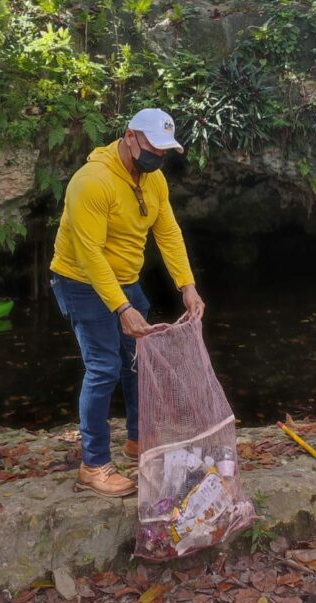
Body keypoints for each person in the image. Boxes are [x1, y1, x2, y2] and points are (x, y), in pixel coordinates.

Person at [50, 108, 205, 497]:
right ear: (130, 136)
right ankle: (94, 465)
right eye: (152, 147)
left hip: (125, 279)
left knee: (139, 362)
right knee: (103, 366)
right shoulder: (91, 183)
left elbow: (167, 232)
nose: (157, 157)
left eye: (164, 151)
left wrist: (187, 284)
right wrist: (122, 308)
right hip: (81, 281)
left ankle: (140, 442)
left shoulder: (153, 179)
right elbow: (90, 254)